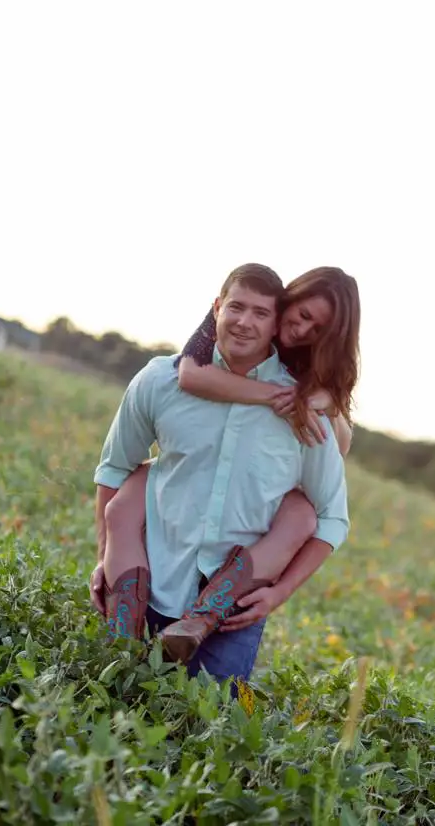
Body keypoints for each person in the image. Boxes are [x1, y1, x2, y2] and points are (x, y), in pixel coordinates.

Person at [92, 264, 353, 683]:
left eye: (260, 313)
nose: (246, 322)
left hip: (236, 603)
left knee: (209, 726)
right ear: (217, 308)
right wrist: (103, 555)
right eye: (236, 308)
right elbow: (115, 466)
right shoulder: (164, 377)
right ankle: (123, 635)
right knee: (113, 690)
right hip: (157, 572)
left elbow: (332, 515)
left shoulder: (309, 410)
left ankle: (204, 618)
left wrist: (279, 593)